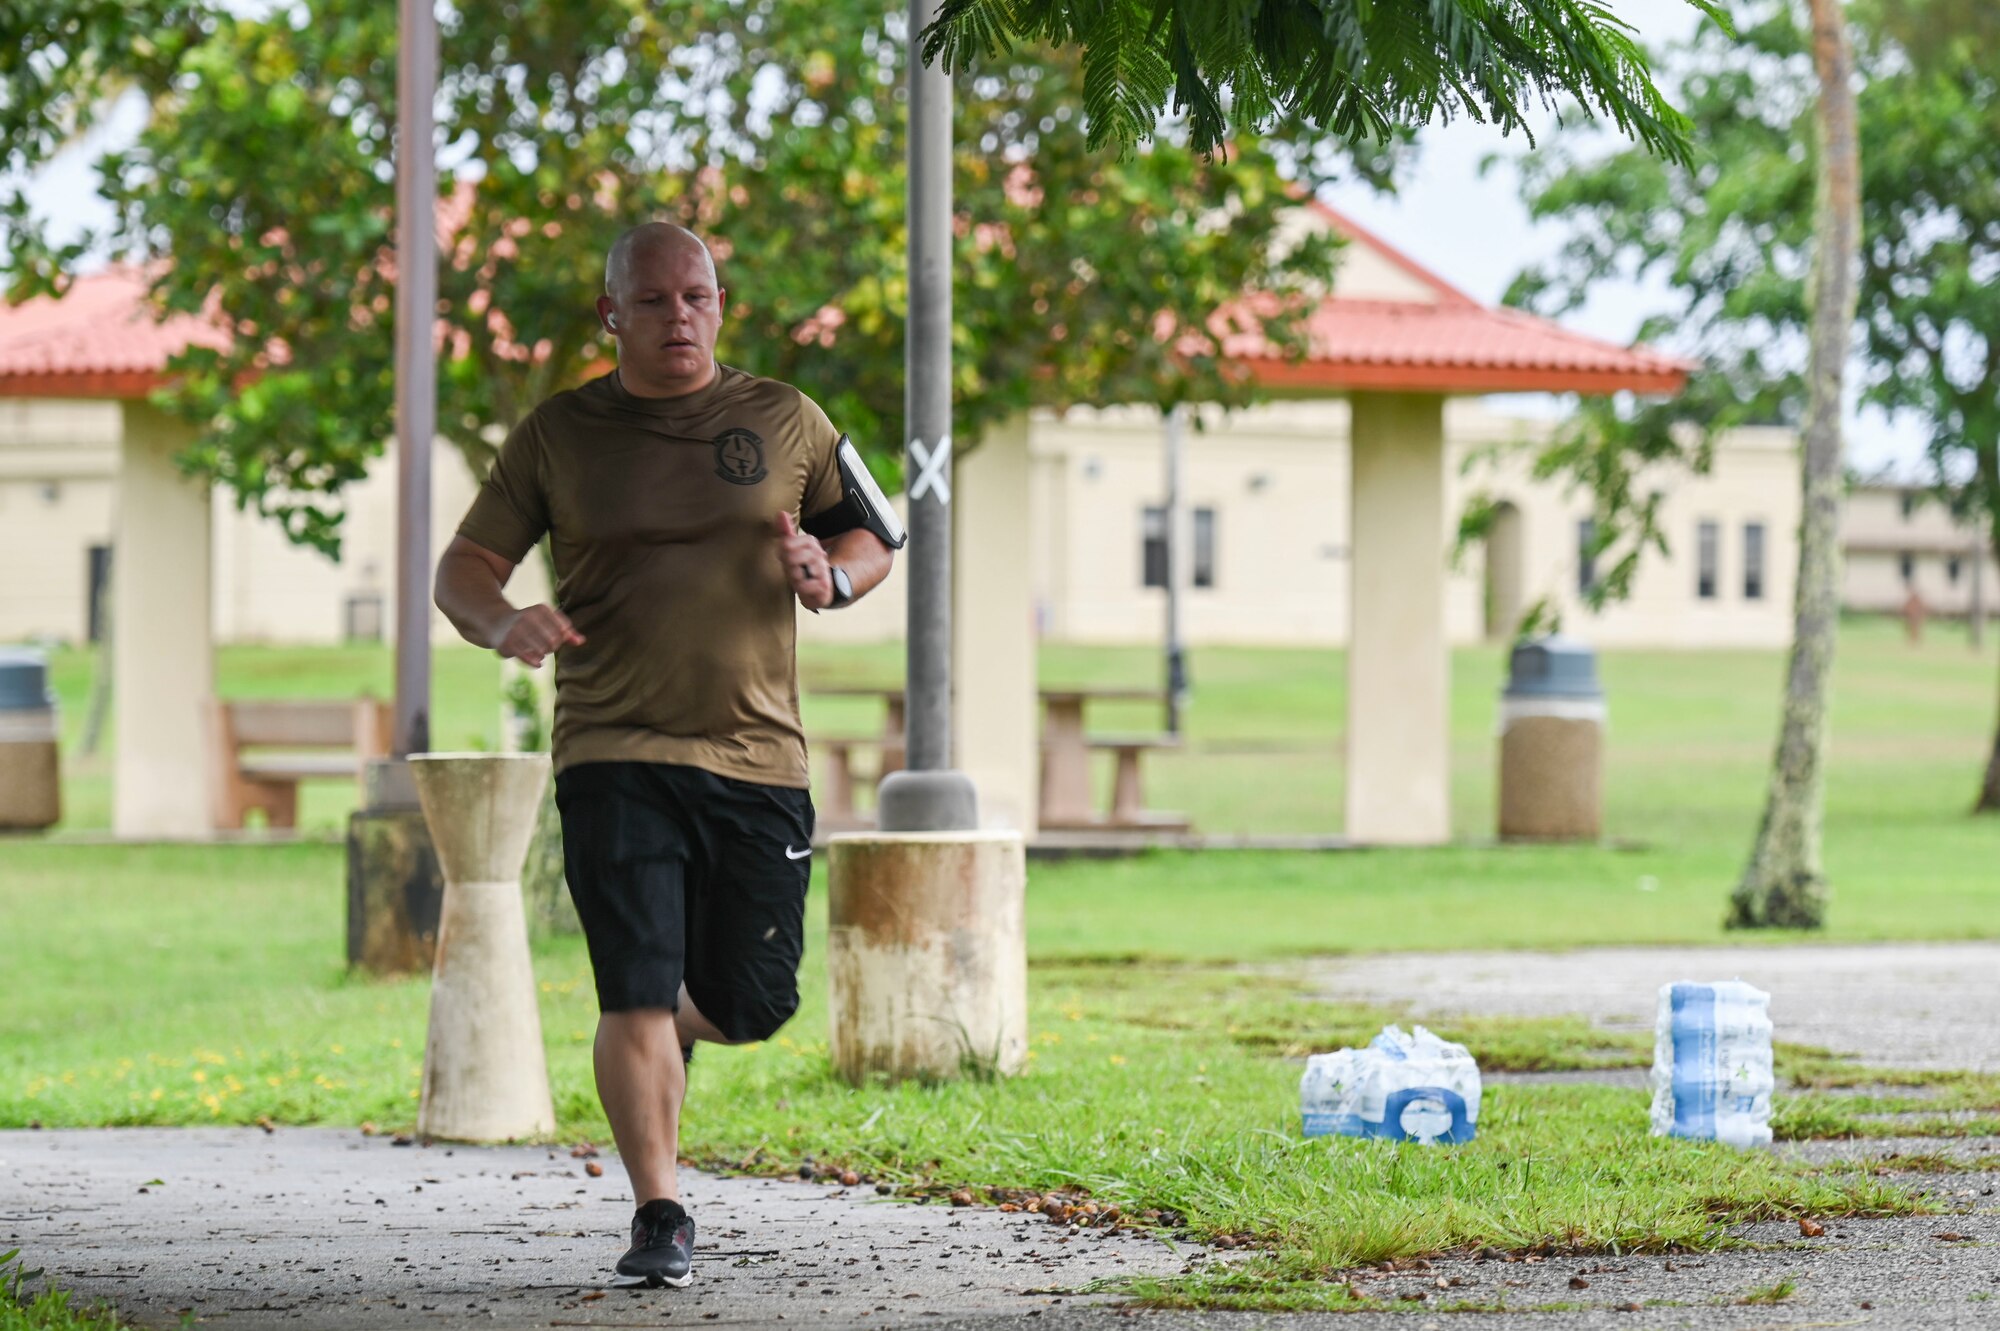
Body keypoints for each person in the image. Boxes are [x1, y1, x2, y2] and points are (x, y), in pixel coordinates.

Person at [433, 221, 895, 1288]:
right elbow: (465, 564)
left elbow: (875, 533)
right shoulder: (558, 434)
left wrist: (829, 574)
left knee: (753, 997)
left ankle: (664, 1030)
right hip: (613, 745)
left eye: (695, 296)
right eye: (651, 301)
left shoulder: (786, 417)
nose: (676, 315)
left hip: (756, 754)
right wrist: (502, 623)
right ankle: (660, 1206)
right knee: (631, 987)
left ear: (719, 304)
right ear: (612, 316)